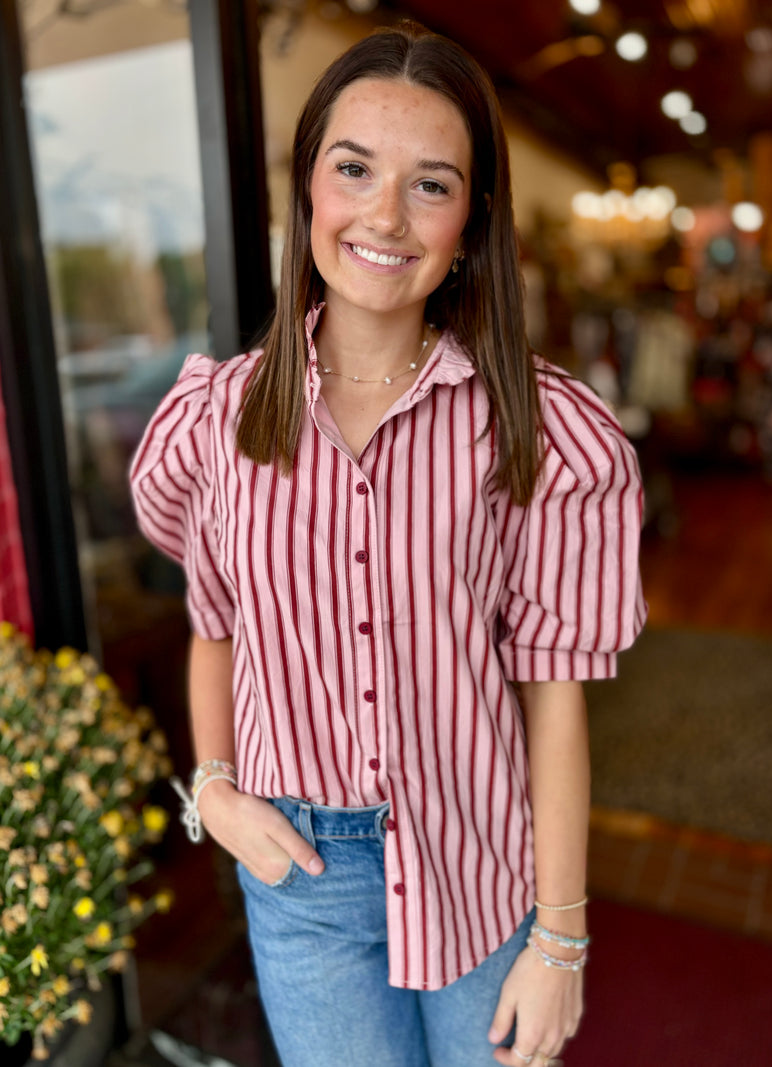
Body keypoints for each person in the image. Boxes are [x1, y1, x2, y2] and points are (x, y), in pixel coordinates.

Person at [130, 21, 646, 1067]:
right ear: (306, 187)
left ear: (472, 217)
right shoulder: (217, 418)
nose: (382, 214)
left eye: (431, 184)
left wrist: (561, 932)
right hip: (297, 876)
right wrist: (215, 790)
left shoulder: (539, 429)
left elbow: (552, 694)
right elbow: (215, 621)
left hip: (479, 868)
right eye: (354, 168)